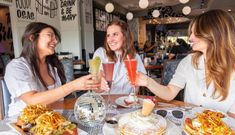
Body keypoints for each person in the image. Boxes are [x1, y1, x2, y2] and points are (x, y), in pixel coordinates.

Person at [135, 9, 235, 118]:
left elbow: (232, 116)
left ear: (215, 33)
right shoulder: (189, 61)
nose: (190, 38)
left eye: (196, 32)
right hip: (189, 125)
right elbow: (169, 93)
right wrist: (148, 82)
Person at [4, 22, 103, 117]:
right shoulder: (16, 66)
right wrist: (73, 86)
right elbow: (32, 101)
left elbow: (58, 100)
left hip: (50, 122)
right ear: (32, 37)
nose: (55, 41)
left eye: (55, 38)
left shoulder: (52, 67)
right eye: (50, 35)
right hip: (21, 125)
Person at [93, 20, 146, 94]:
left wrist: (133, 102)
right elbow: (96, 87)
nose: (110, 40)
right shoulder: (100, 53)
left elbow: (136, 87)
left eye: (115, 34)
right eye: (108, 35)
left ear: (125, 36)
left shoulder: (135, 57)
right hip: (105, 102)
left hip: (126, 102)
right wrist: (99, 84)